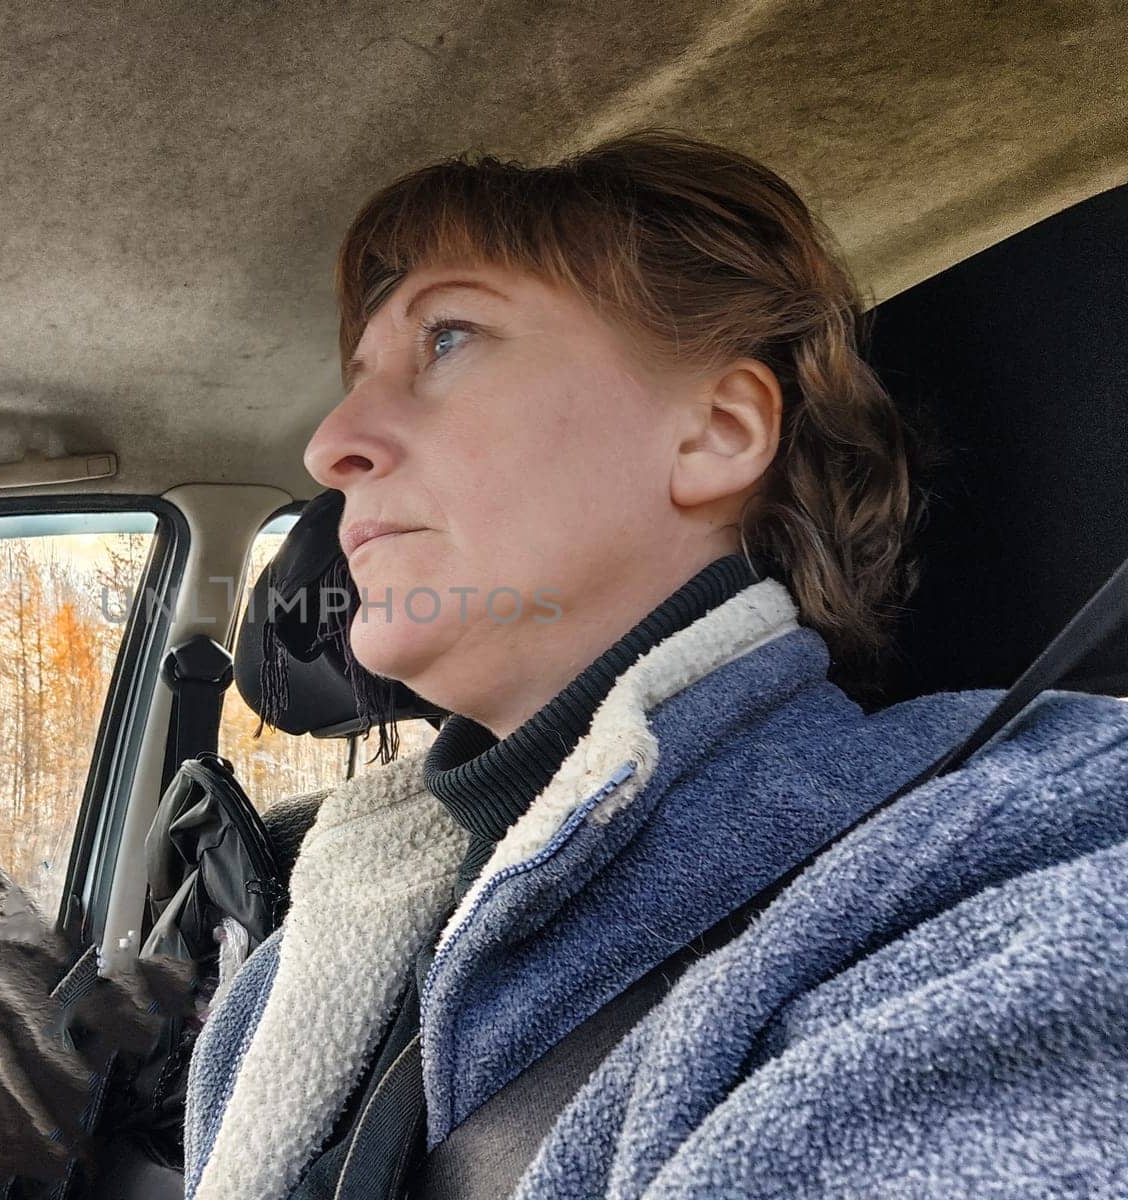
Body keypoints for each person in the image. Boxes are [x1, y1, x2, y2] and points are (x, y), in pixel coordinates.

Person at [182, 129, 1128, 1199]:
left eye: (446, 338)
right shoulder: (297, 968)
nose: (331, 444)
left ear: (717, 433)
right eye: (356, 379)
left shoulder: (1002, 861)